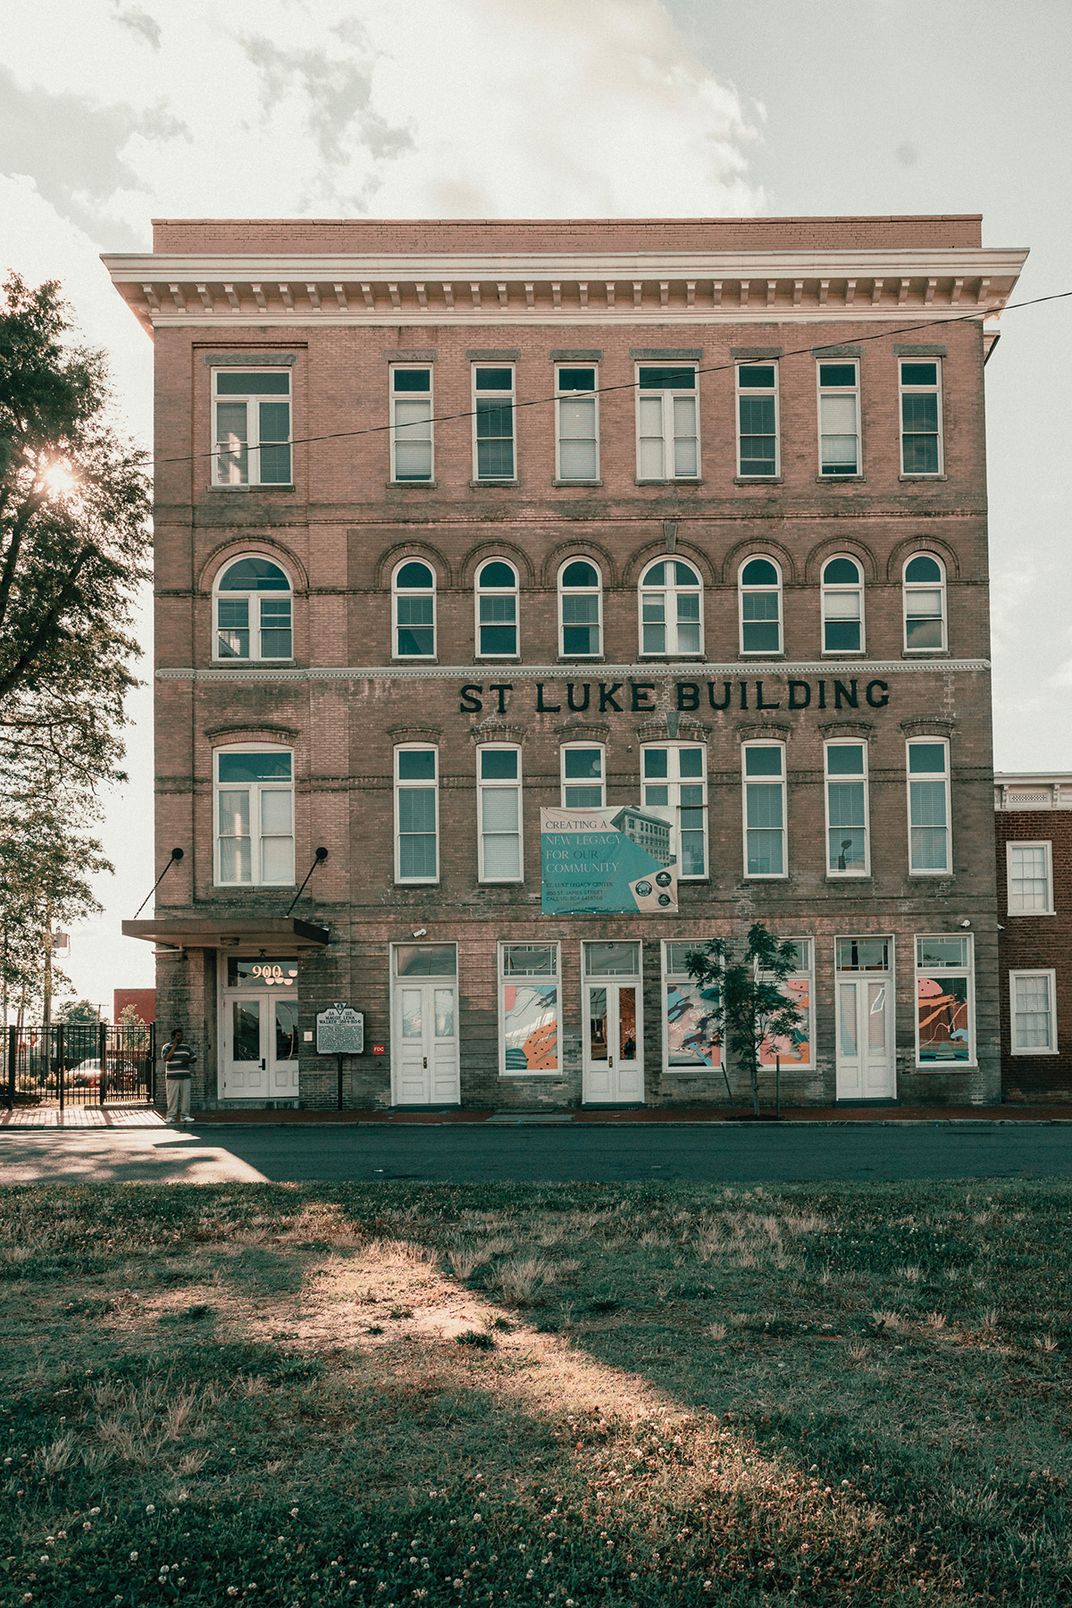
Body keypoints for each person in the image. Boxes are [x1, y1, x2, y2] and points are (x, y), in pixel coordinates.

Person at [161, 1027, 196, 1123]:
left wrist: (188, 1060)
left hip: (185, 1076)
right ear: (173, 1037)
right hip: (172, 1077)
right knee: (172, 1098)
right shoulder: (166, 1047)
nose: (180, 1038)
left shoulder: (186, 1047)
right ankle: (171, 1116)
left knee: (186, 1098)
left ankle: (185, 1116)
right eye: (178, 1036)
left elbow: (194, 1058)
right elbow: (166, 1058)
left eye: (181, 1036)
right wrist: (174, 1046)